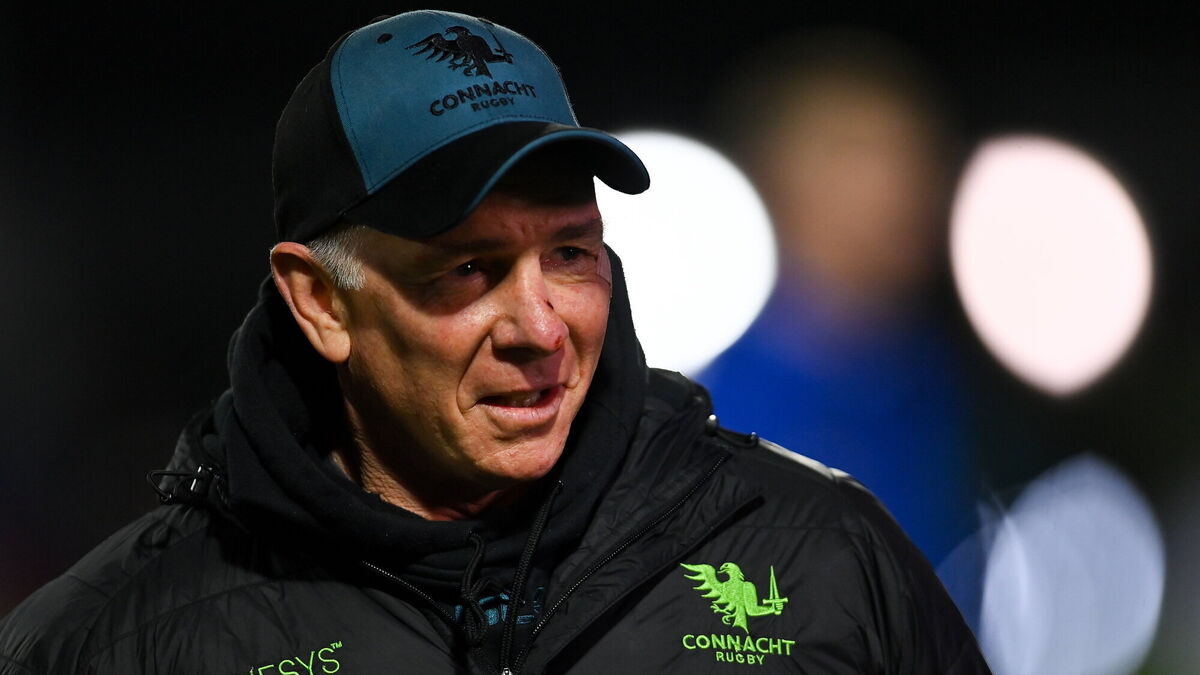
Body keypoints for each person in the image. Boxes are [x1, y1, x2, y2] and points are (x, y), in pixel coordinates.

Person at [0, 11, 989, 674]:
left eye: (570, 253)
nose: (541, 327)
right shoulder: (112, 643)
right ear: (321, 302)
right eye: (469, 269)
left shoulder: (830, 561)